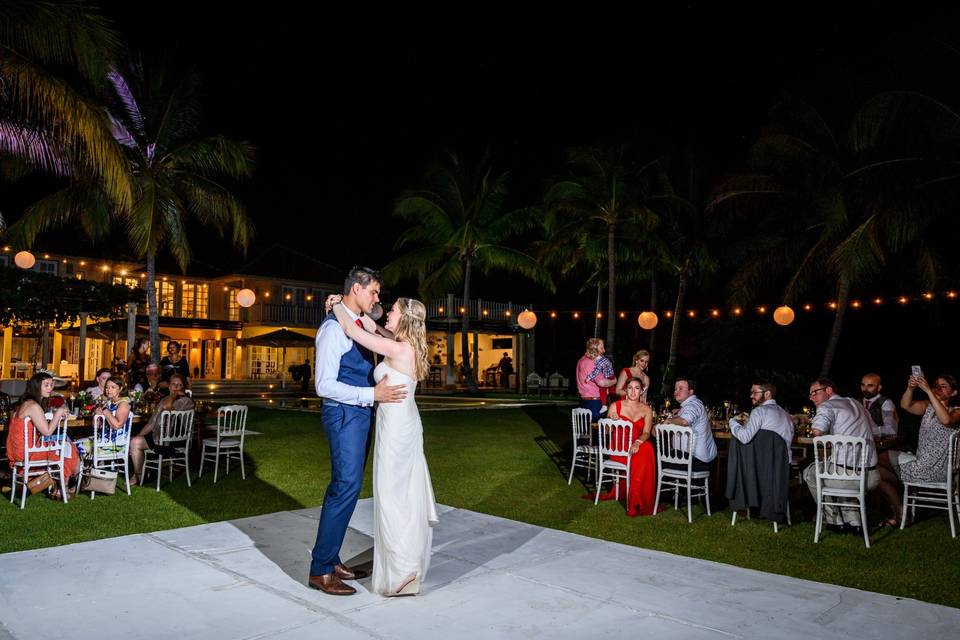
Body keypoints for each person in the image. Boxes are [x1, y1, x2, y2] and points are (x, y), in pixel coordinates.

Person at [309, 267, 408, 597]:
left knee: (348, 489)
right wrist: (371, 395)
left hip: (360, 414)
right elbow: (323, 386)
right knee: (344, 487)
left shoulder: (358, 323)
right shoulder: (333, 329)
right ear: (355, 289)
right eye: (373, 292)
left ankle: (332, 559)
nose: (378, 298)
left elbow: (377, 338)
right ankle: (320, 570)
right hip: (343, 415)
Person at [332, 296, 438, 596]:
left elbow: (355, 332)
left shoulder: (401, 348)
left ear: (404, 318)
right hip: (401, 425)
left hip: (397, 432)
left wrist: (338, 305)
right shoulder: (404, 344)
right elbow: (370, 326)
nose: (386, 312)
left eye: (391, 310)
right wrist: (358, 313)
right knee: (399, 495)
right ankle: (404, 568)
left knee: (393, 498)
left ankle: (403, 571)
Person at [875, 373, 960, 527]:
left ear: (954, 392)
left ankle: (901, 509)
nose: (938, 388)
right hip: (920, 464)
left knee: (881, 457)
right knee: (876, 473)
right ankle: (901, 513)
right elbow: (905, 405)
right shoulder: (928, 406)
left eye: (944, 386)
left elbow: (946, 420)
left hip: (934, 470)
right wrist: (910, 388)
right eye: (936, 386)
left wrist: (929, 391)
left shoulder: (956, 411)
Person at [803, 378, 879, 535]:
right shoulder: (856, 403)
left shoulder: (827, 405)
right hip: (872, 476)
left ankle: (833, 520)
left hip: (848, 478)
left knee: (810, 473)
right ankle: (855, 522)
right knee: (840, 470)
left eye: (814, 393)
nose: (811, 398)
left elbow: (817, 431)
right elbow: (877, 434)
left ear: (829, 391)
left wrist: (826, 435)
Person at [6, 371, 82, 499]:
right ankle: (62, 488)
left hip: (17, 451)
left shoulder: (25, 403)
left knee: (65, 446)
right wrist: (58, 413)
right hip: (28, 453)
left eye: (51, 385)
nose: (50, 388)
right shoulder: (33, 406)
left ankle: (59, 485)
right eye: (46, 385)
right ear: (37, 386)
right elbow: (47, 431)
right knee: (68, 448)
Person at [593, 378, 657, 516]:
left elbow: (646, 433)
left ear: (641, 391)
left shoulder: (646, 409)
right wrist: (610, 420)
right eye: (630, 388)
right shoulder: (616, 406)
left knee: (647, 448)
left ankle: (638, 499)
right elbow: (606, 431)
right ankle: (636, 501)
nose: (633, 391)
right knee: (645, 452)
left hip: (636, 446)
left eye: (637, 388)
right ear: (626, 390)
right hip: (619, 449)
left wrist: (638, 442)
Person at [128, 373, 194, 485]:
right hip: (159, 438)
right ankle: (139, 474)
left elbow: (168, 406)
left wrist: (173, 395)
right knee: (134, 441)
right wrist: (140, 435)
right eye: (174, 384)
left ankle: (138, 475)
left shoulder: (186, 401)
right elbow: (151, 423)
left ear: (184, 387)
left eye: (179, 385)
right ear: (169, 386)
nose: (176, 387)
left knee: (135, 442)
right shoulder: (164, 400)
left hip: (174, 443)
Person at [659, 378, 717, 472]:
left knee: (654, 458)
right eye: (675, 389)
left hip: (697, 460)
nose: (676, 391)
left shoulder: (694, 405)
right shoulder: (687, 406)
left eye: (680, 388)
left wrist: (669, 420)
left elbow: (684, 421)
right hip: (691, 457)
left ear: (691, 392)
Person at [729, 382, 795, 463]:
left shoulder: (759, 411)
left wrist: (733, 422)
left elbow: (744, 437)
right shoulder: (786, 414)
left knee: (737, 450)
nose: (751, 396)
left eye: (755, 392)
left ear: (767, 394)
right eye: (751, 392)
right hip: (783, 465)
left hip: (763, 466)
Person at [75, 377, 132, 463]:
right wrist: (96, 415)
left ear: (120, 389)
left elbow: (117, 425)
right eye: (107, 387)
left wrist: (105, 411)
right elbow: (97, 427)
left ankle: (87, 472)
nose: (109, 390)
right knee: (73, 445)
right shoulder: (109, 403)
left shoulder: (123, 404)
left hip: (115, 445)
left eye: (113, 387)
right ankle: (88, 472)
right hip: (103, 440)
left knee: (76, 447)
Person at [575, 338, 616, 421]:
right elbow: (602, 383)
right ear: (593, 348)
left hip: (587, 401)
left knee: (588, 430)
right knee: (597, 431)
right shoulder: (590, 362)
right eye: (601, 348)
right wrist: (614, 380)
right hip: (594, 403)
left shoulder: (581, 360)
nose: (604, 351)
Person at [861, 373, 899, 447]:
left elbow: (891, 430)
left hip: (878, 447)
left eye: (870, 385)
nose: (865, 389)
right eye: (863, 385)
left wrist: (869, 430)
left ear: (879, 388)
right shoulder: (857, 401)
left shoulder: (886, 403)